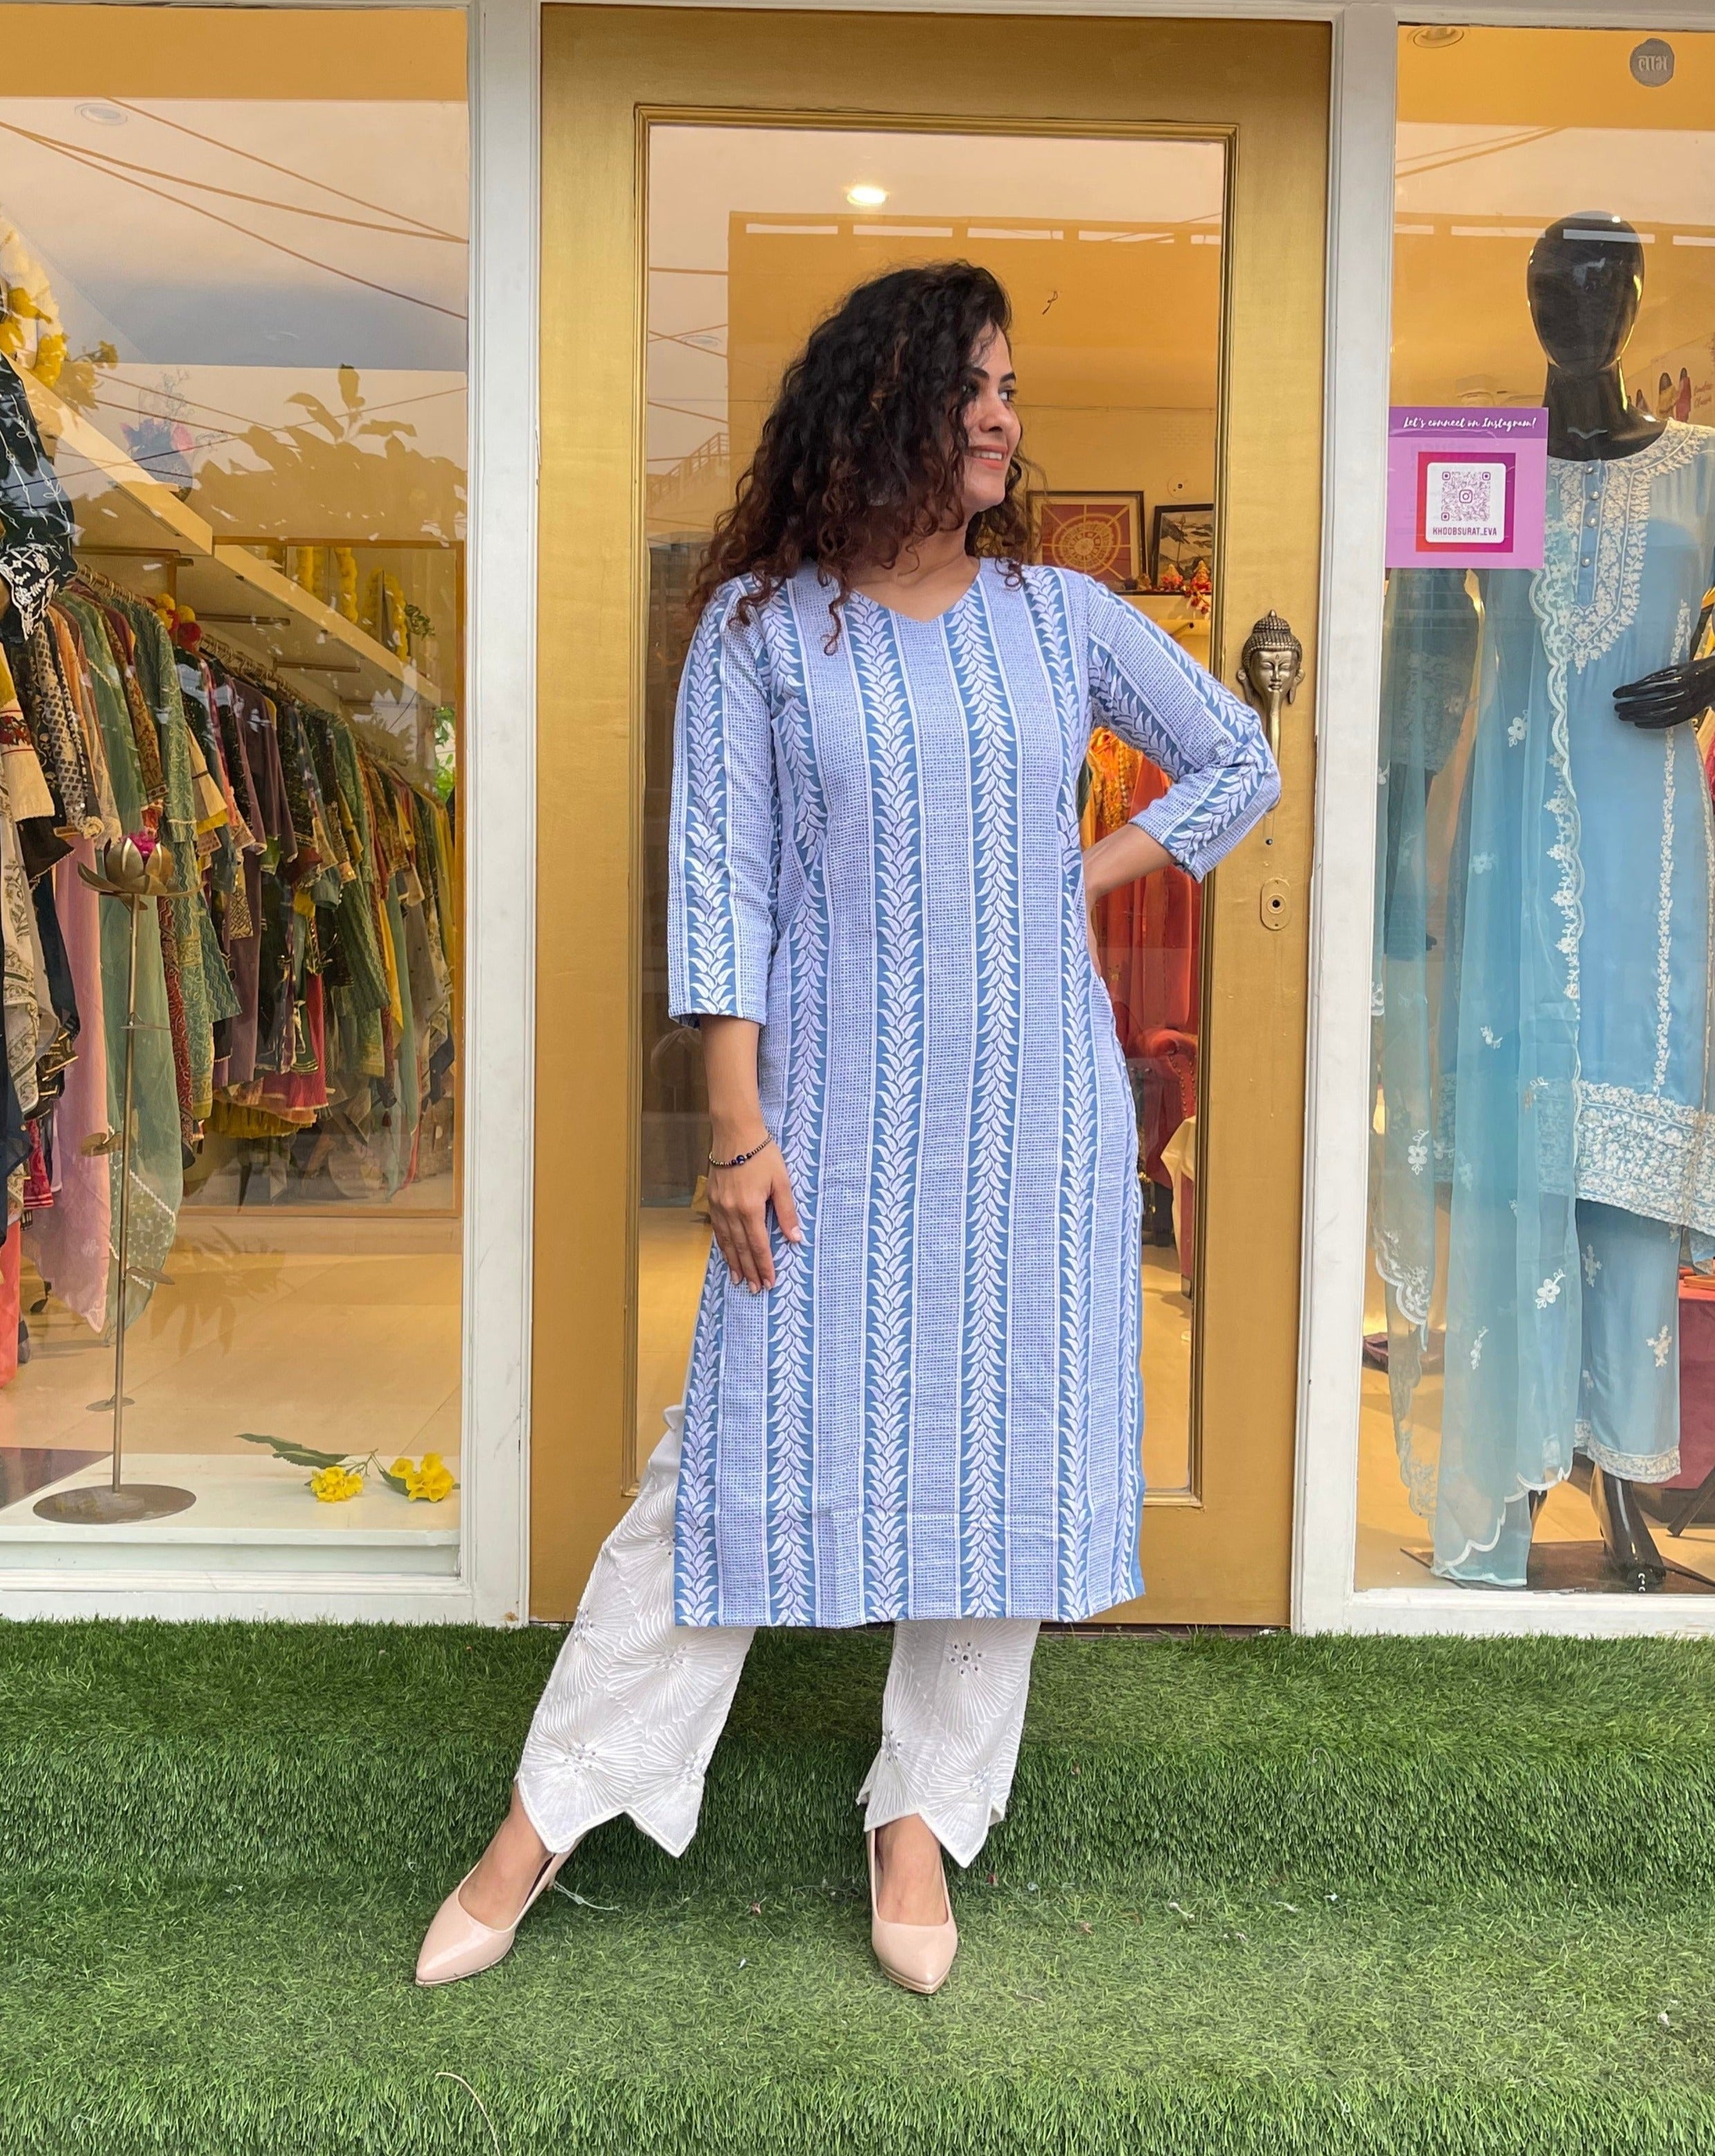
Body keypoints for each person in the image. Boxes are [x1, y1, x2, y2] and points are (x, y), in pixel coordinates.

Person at [417, 261, 1278, 1995]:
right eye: (967, 381)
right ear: (871, 401)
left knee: (999, 1451)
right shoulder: (758, 631)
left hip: (1033, 1111)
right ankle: (545, 1814)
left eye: (1010, 388)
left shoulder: (1062, 616)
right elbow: (720, 892)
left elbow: (1234, 760)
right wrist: (732, 1127)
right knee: (722, 1461)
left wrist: (1082, 873)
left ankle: (918, 1820)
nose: (998, 414)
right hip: (822, 1114)